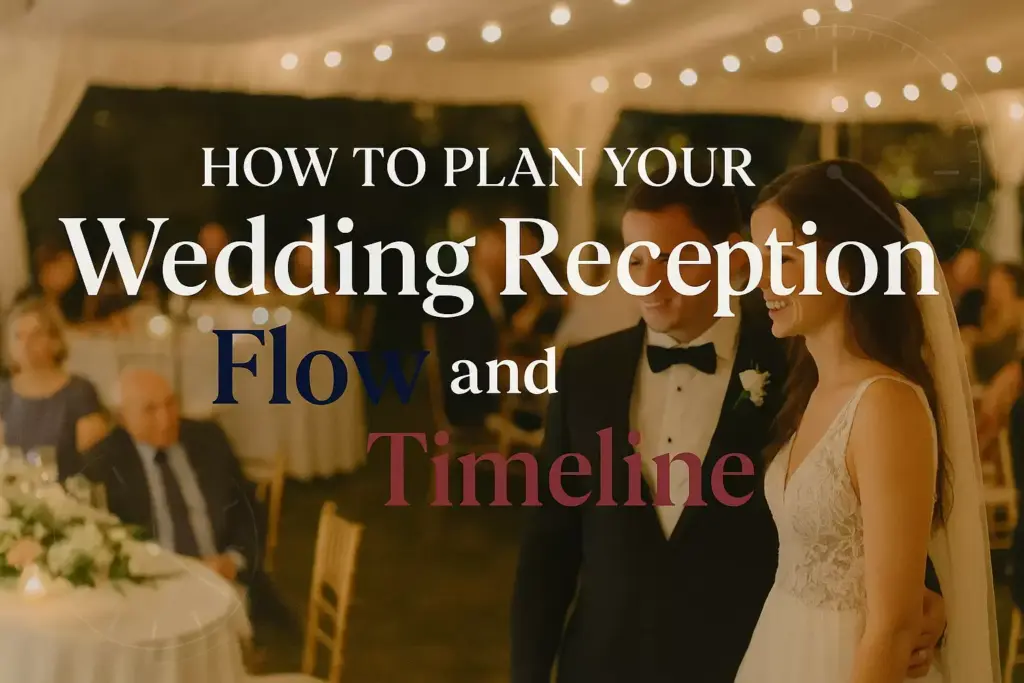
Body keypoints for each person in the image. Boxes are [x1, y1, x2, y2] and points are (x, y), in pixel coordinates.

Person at [509, 160, 950, 683]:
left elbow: (857, 508)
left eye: (674, 258)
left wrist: (925, 602)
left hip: (747, 656)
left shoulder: (798, 363)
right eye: (636, 257)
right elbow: (548, 545)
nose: (648, 279)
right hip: (607, 662)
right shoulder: (585, 372)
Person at [734, 160, 998, 682]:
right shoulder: (810, 389)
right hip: (783, 648)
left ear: (849, 267)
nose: (762, 278)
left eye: (783, 258)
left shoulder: (884, 404)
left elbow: (893, 624)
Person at [81, 368, 290, 638]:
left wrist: (233, 560)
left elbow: (248, 513)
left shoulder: (208, 439)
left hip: (221, 582)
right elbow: (99, 539)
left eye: (170, 403)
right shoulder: (103, 463)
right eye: (150, 410)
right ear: (122, 418)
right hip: (151, 591)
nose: (166, 419)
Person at [0, 298, 108, 479]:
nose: (26, 344)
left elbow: (95, 466)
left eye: (35, 335)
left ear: (55, 341)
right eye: (18, 336)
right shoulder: (3, 395)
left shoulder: (79, 392)